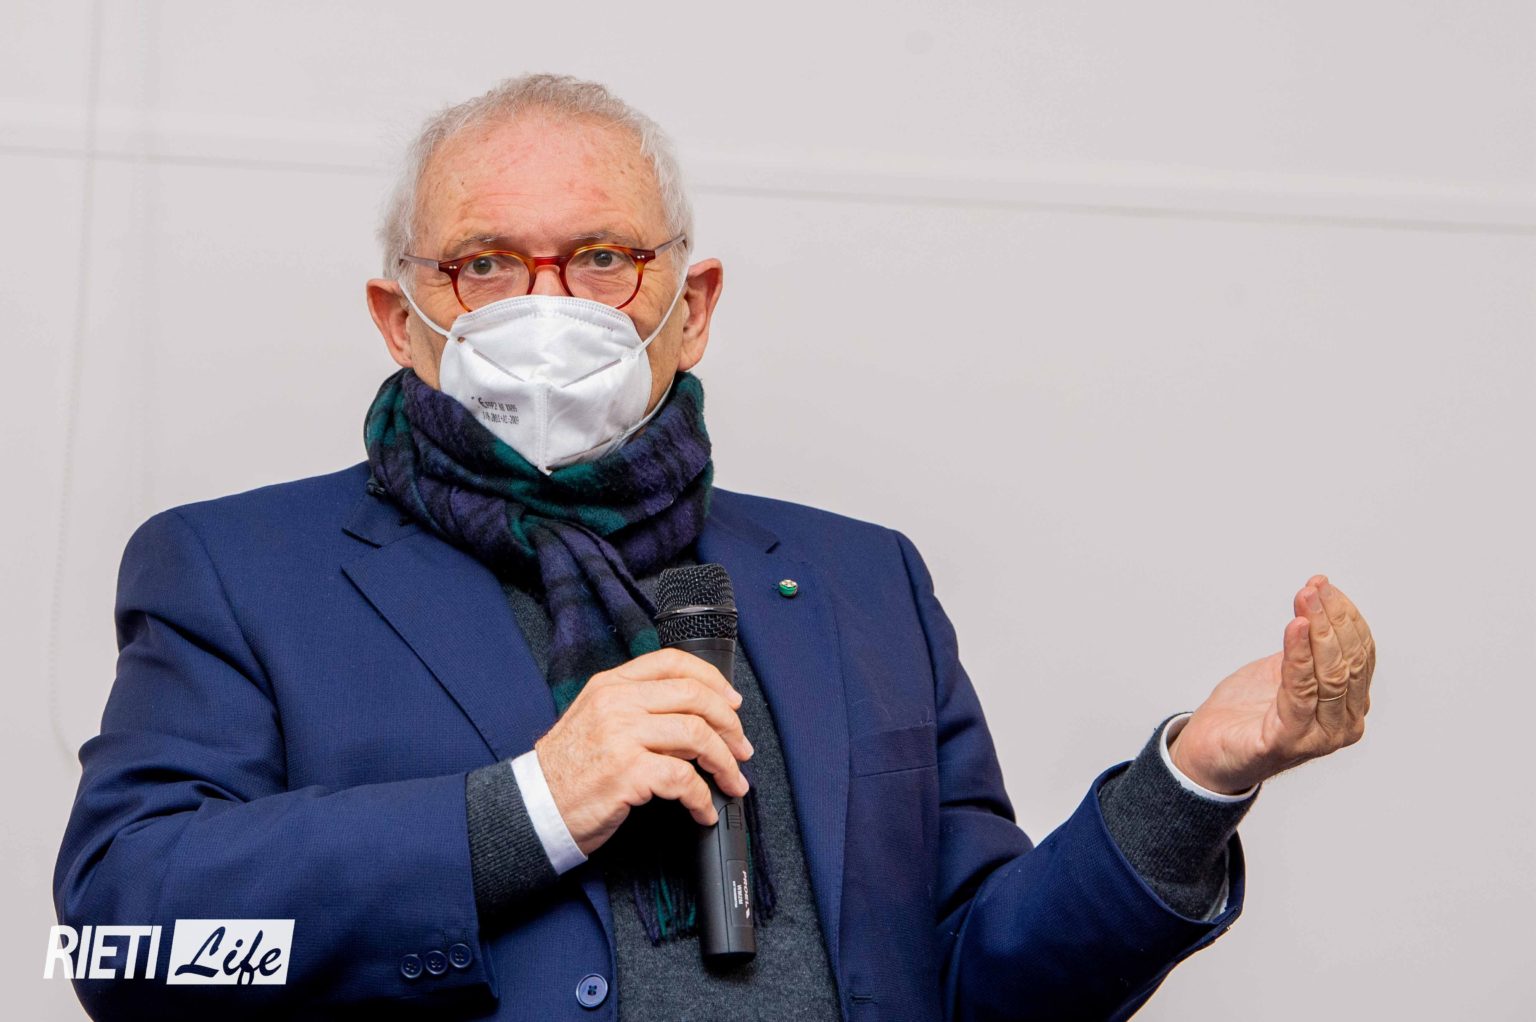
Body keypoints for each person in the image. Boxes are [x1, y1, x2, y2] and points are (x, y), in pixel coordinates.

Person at [54, 73, 1375, 1021]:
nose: (547, 306)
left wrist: (1192, 778)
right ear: (401, 318)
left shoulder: (861, 583)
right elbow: (124, 937)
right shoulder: (242, 571)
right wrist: (528, 807)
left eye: (601, 256)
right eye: (484, 263)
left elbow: (983, 978)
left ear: (692, 306)